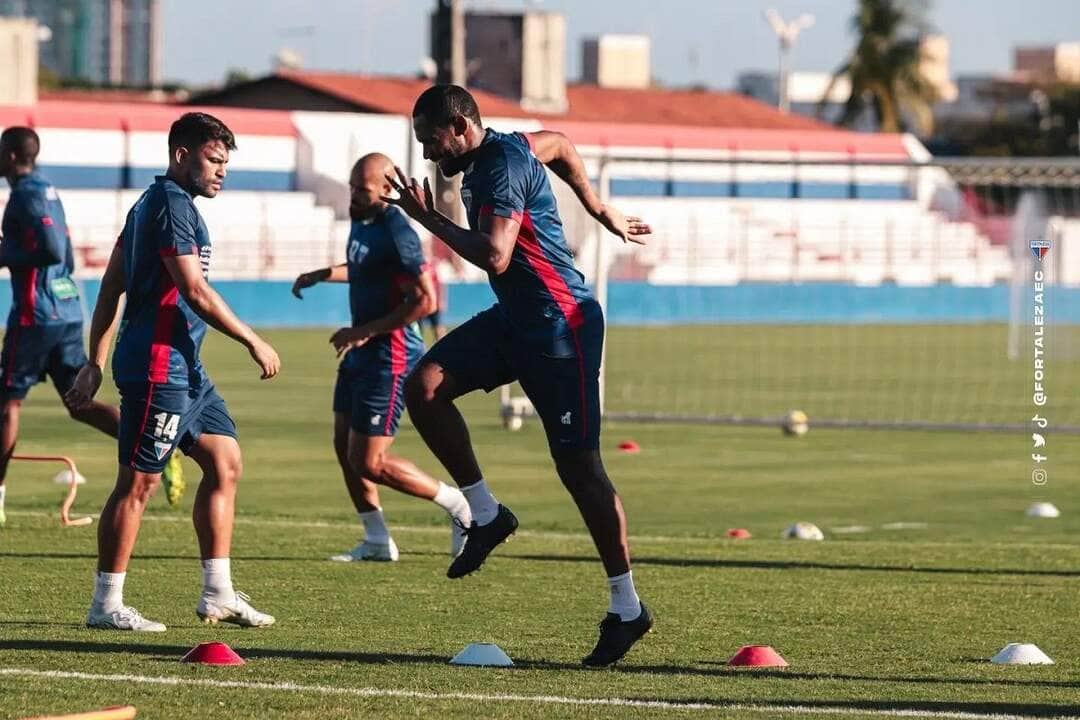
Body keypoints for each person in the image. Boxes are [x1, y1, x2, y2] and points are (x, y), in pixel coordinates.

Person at [387, 85, 653, 666]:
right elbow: (557, 143)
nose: (430, 157)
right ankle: (486, 514)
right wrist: (598, 205)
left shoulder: (499, 168)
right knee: (425, 385)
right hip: (516, 321)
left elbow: (495, 255)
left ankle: (627, 608)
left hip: (560, 328)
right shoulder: (510, 147)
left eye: (431, 142)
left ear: (459, 127)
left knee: (580, 470)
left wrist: (428, 216)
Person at [66, 112, 280, 632]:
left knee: (225, 463)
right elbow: (195, 291)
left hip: (188, 366)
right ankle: (106, 603)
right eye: (213, 160)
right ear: (182, 155)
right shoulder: (169, 205)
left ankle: (218, 593)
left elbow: (112, 286)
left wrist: (95, 363)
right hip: (159, 366)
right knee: (138, 484)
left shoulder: (150, 204)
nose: (221, 171)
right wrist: (252, 339)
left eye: (226, 162)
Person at [0, 128, 184, 527]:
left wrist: (4, 252)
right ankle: (157, 447)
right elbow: (61, 249)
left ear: (12, 156)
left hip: (35, 315)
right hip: (64, 311)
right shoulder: (47, 190)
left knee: (7, 403)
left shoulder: (26, 194)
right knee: (77, 402)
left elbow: (49, 248)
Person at [292, 152, 471, 562]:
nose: (354, 196)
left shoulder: (398, 231)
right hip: (361, 352)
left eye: (363, 189)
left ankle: (460, 506)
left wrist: (364, 332)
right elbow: (364, 267)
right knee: (344, 447)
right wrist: (323, 274)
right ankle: (376, 540)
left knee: (369, 461)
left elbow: (424, 300)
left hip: (389, 356)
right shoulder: (363, 217)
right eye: (352, 186)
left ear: (388, 190)